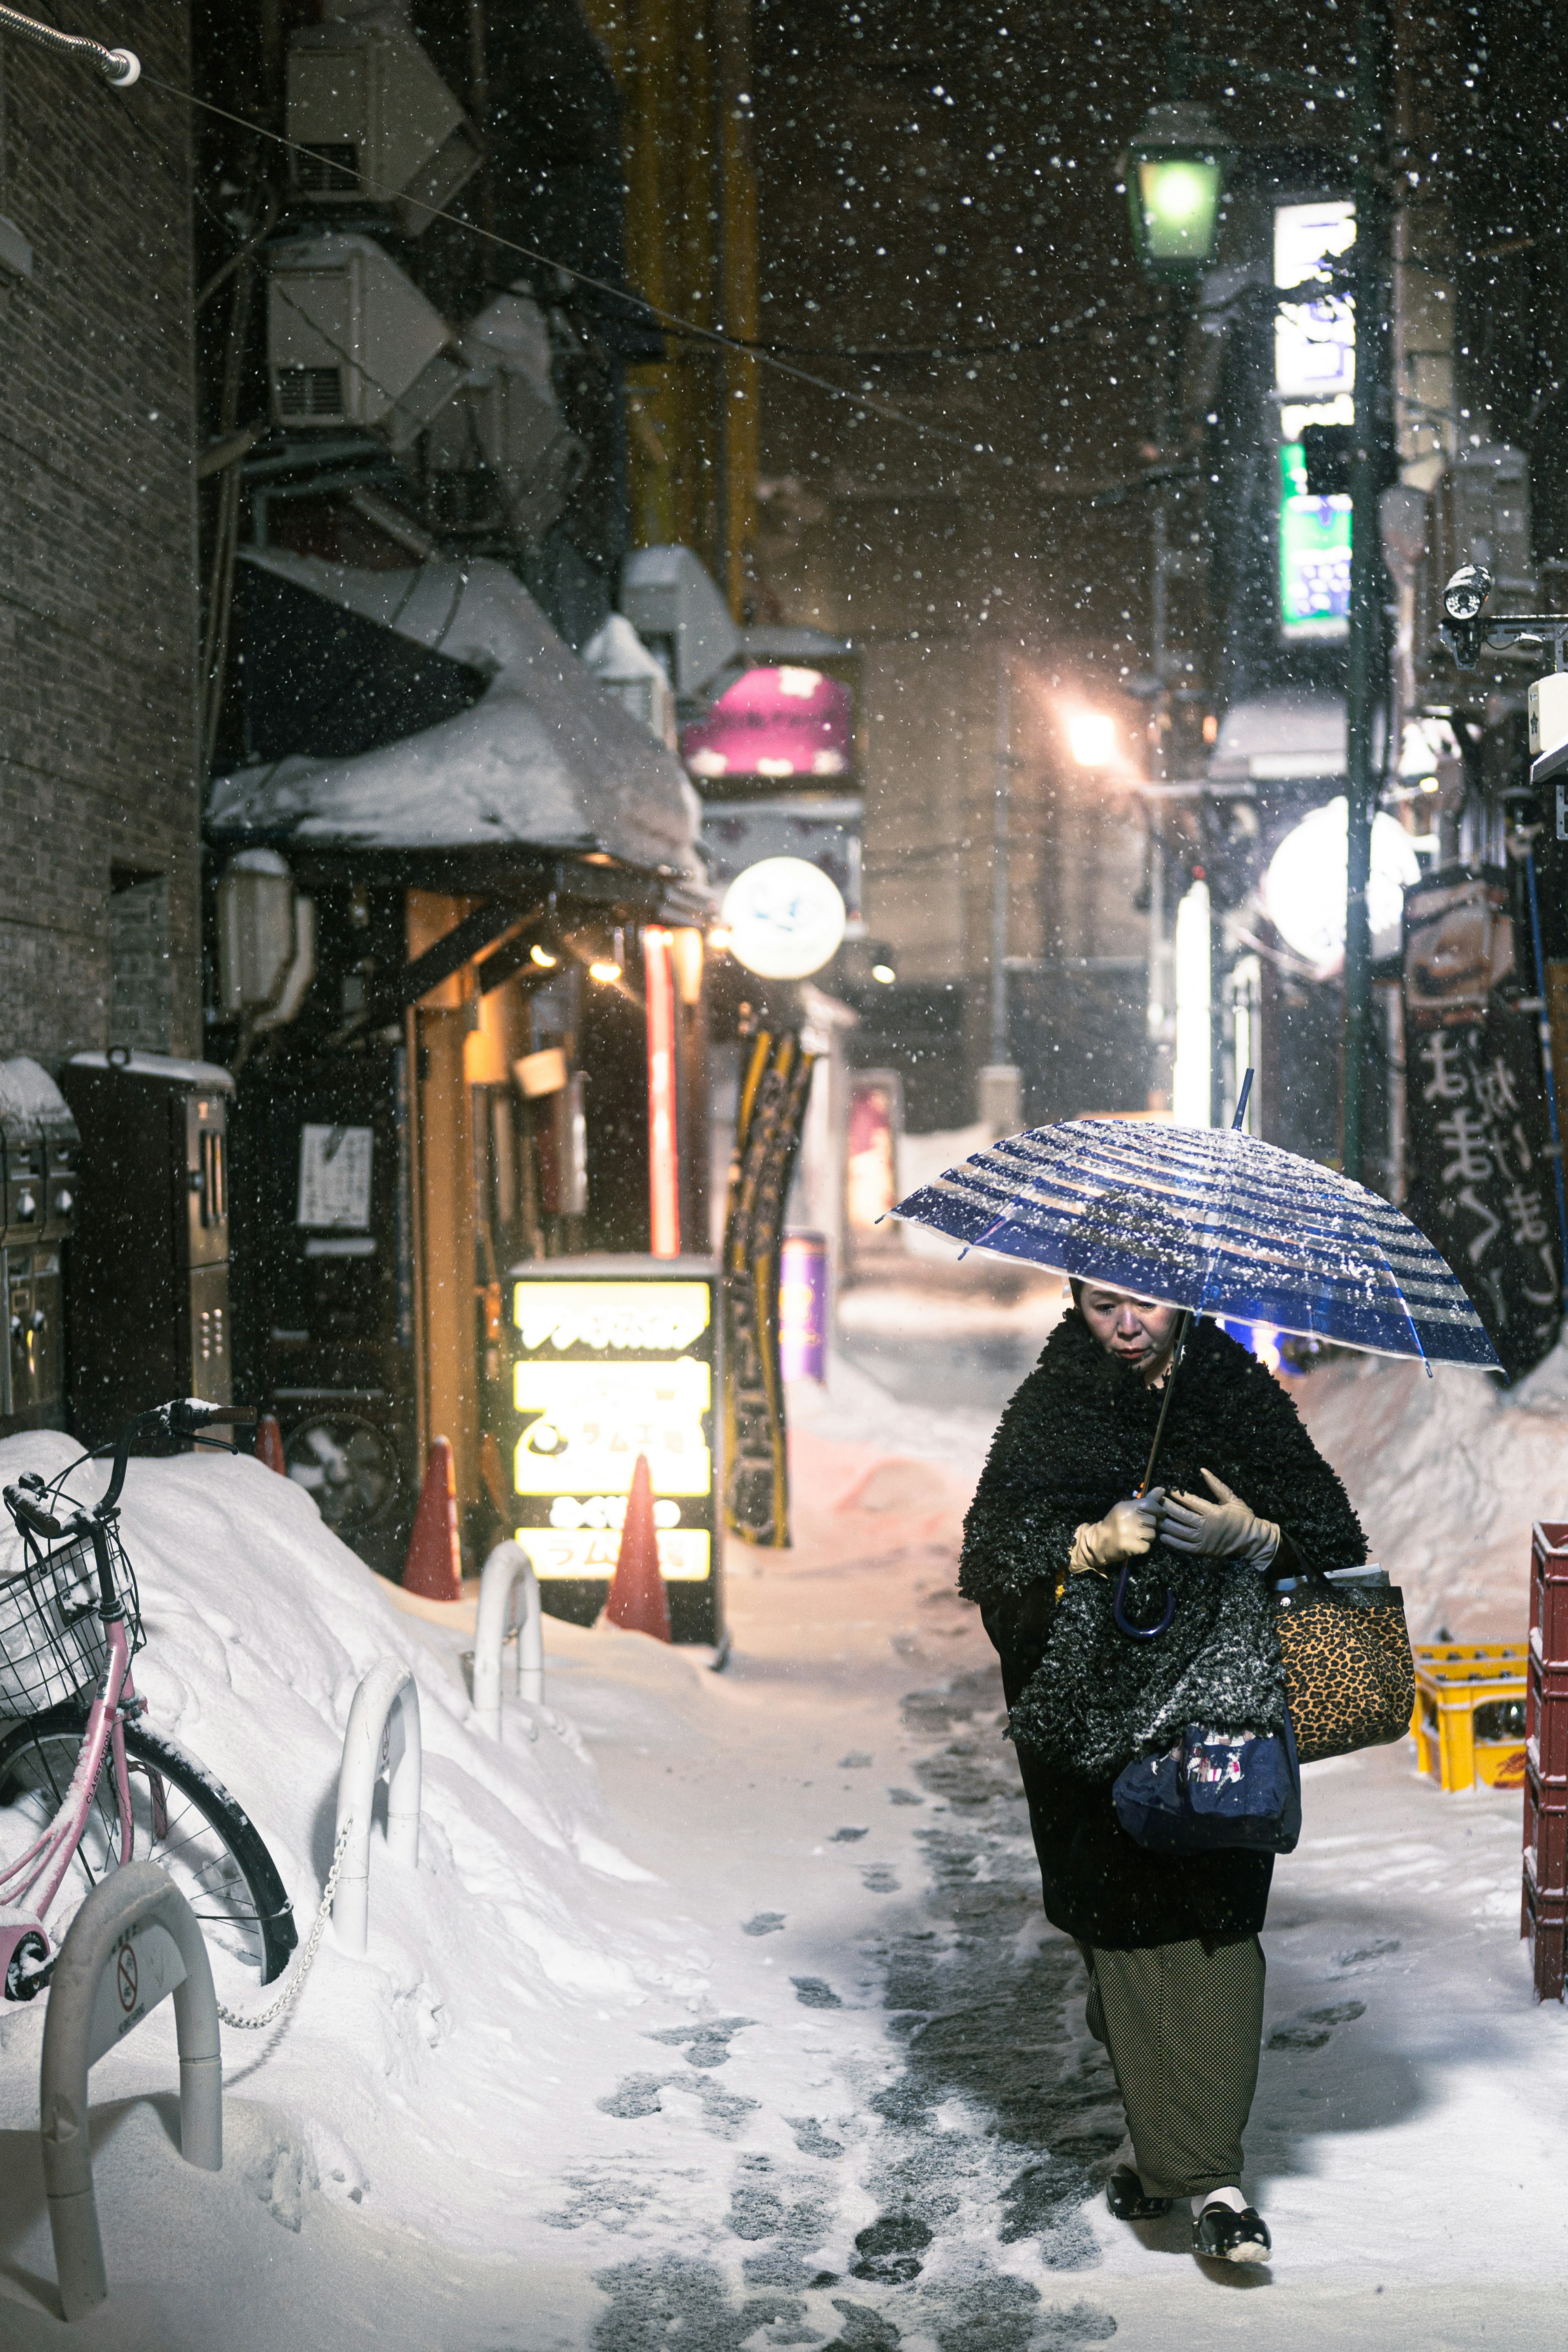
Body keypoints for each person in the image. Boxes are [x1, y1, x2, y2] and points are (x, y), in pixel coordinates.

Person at [960, 1276, 1366, 2265]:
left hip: (1217, 1722)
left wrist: (1260, 1538)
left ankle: (1213, 2185)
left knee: (1217, 1930)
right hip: (1091, 1731)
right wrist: (1083, 1549)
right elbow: (992, 1564)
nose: (1127, 1324)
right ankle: (1162, 2159)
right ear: (1075, 1302)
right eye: (1103, 1305)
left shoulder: (1237, 1394)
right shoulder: (1054, 1406)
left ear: (1184, 1300)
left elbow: (1335, 1547)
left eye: (1146, 1302)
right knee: (1125, 1941)